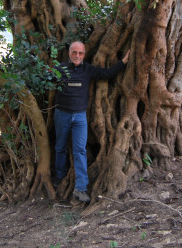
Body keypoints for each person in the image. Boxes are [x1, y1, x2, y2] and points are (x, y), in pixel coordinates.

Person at [54, 41, 130, 202]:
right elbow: (43, 78)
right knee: (60, 147)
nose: (77, 56)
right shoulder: (60, 69)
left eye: (80, 53)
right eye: (74, 52)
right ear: (69, 53)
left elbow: (107, 73)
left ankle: (80, 188)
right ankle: (60, 179)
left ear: (84, 54)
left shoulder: (87, 69)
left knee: (80, 150)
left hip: (80, 117)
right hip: (62, 115)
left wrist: (123, 62)